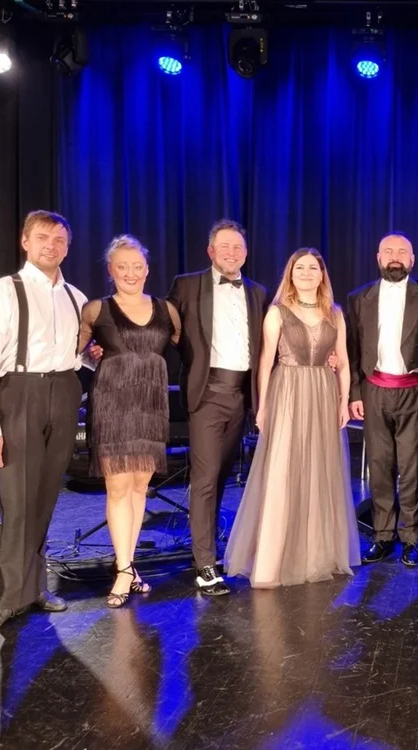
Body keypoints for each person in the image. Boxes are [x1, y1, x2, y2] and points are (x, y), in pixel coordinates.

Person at [0, 210, 87, 634]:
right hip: (20, 394)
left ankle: (35, 587)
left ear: (68, 247)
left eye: (60, 239)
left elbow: (78, 353)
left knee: (46, 495)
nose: (52, 245)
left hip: (65, 392)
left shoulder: (76, 297)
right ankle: (12, 596)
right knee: (18, 500)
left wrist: (93, 355)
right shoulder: (0, 293)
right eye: (43, 237)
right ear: (25, 241)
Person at [223, 248, 360, 586]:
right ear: (290, 273)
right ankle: (272, 560)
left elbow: (343, 362)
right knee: (283, 470)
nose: (306, 273)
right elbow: (265, 362)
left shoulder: (335, 313)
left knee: (319, 471)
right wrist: (263, 407)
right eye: (300, 268)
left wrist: (343, 402)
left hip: (323, 393)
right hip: (287, 392)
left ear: (322, 274)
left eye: (313, 267)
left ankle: (315, 555)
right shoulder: (277, 312)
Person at [78, 235, 181, 607]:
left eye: (137, 266)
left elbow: (189, 348)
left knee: (139, 487)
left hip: (151, 406)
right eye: (123, 266)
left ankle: (128, 562)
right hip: (113, 405)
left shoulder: (166, 310)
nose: (131, 273)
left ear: (147, 269)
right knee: (119, 487)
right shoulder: (96, 309)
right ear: (111, 270)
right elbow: (76, 355)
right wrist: (92, 356)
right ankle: (123, 570)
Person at [168, 220, 268, 596]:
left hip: (242, 396)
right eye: (224, 246)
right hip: (207, 393)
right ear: (211, 251)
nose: (231, 253)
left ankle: (209, 549)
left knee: (223, 477)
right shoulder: (186, 285)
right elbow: (160, 329)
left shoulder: (258, 292)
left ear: (246, 253)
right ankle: (205, 563)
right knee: (206, 479)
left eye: (238, 247)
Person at [346, 232, 418, 568]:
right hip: (374, 390)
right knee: (379, 465)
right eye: (388, 251)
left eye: (402, 251)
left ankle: (411, 537)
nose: (395, 256)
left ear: (412, 259)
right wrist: (354, 393)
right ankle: (383, 535)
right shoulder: (359, 298)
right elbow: (352, 349)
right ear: (378, 257)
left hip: (415, 390)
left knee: (412, 467)